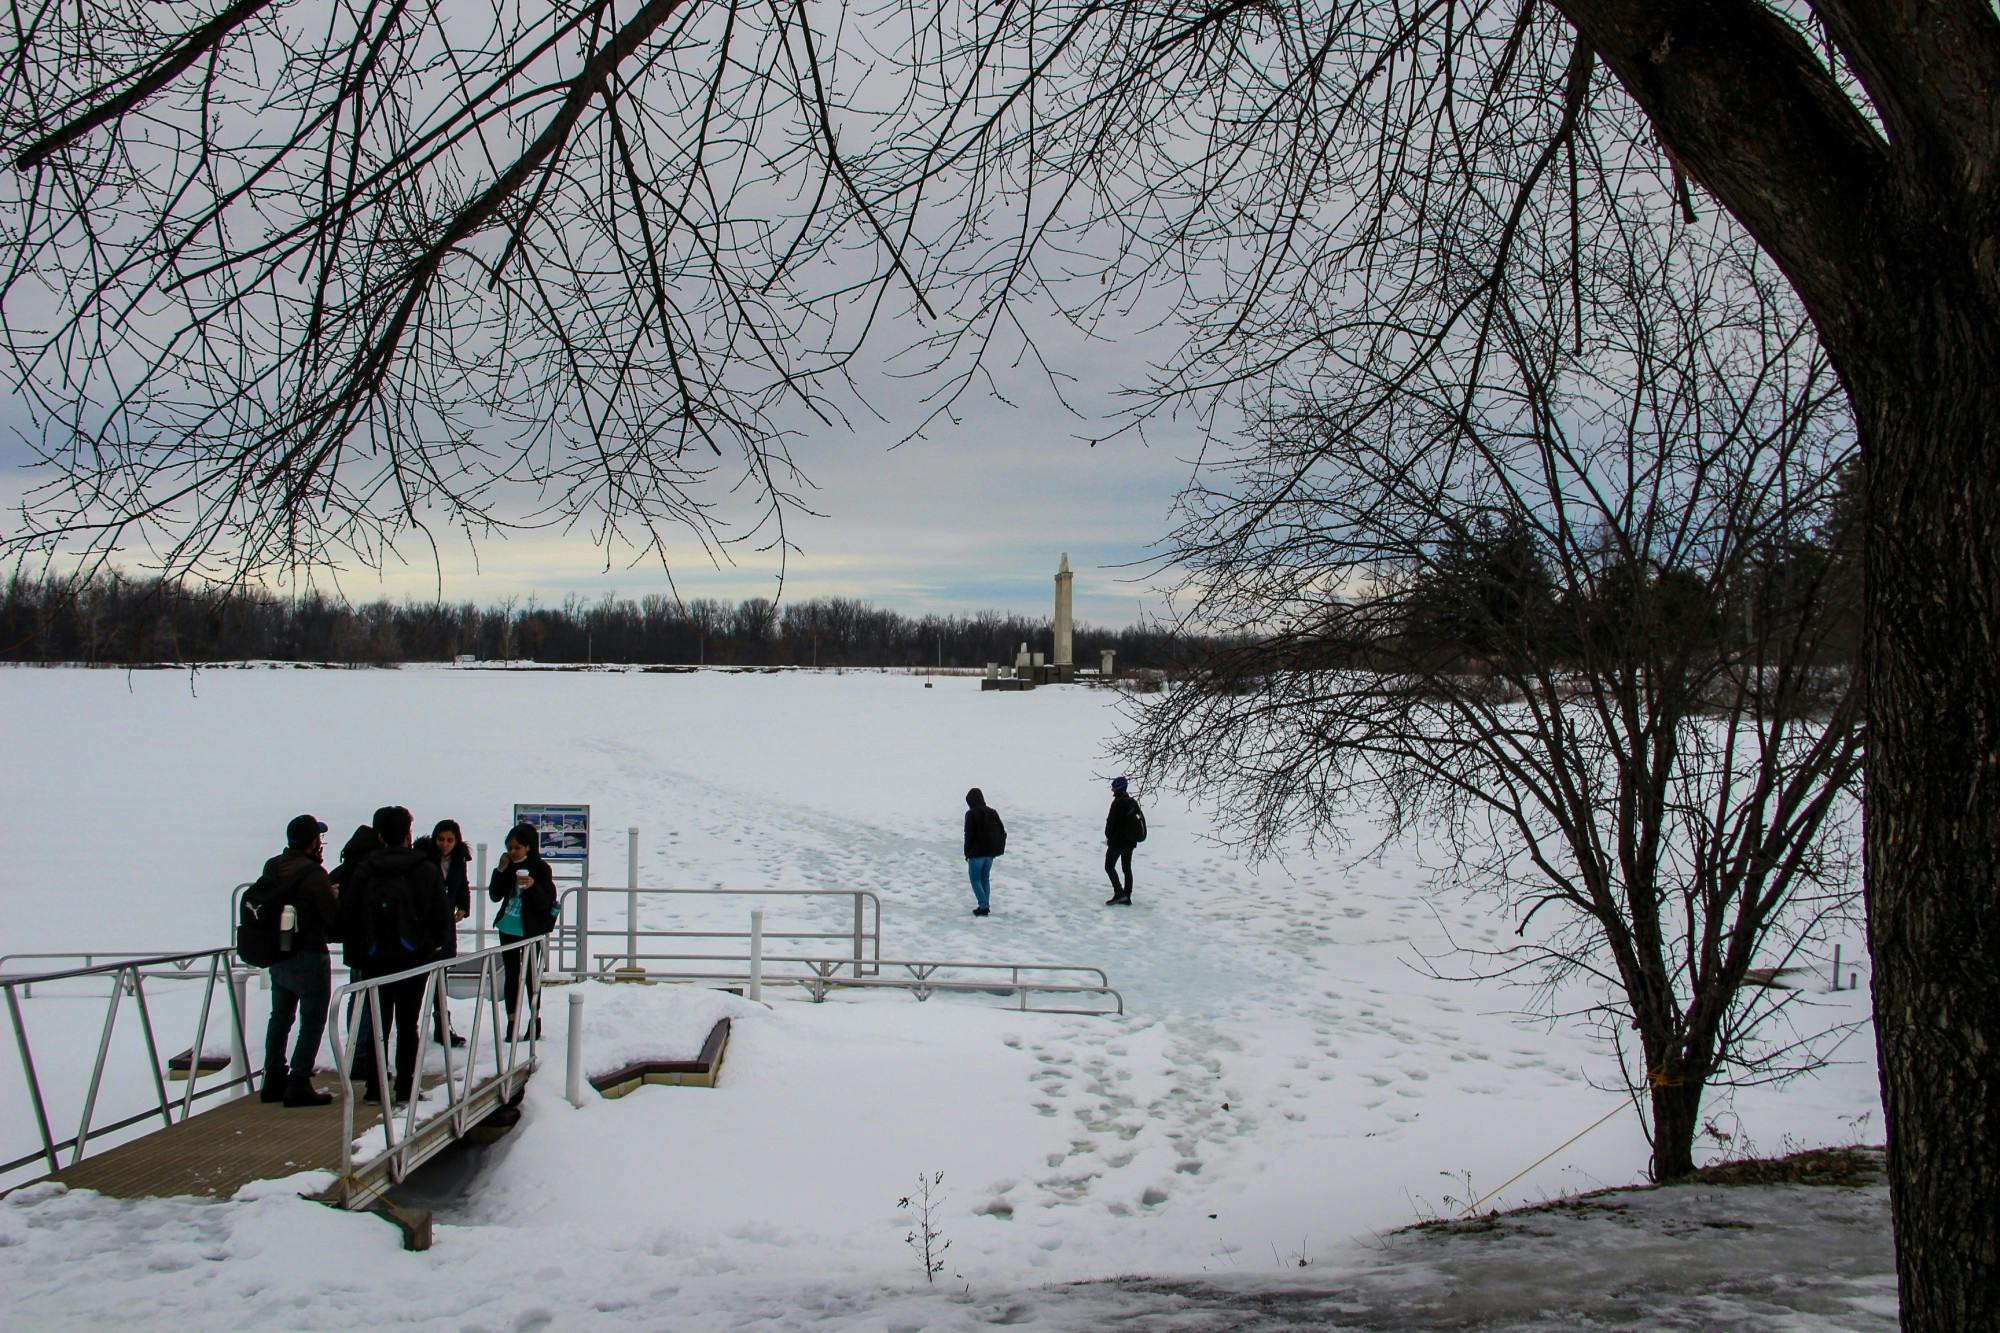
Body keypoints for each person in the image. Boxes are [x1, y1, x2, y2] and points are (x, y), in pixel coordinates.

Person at [346, 805, 454, 1105]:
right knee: (408, 1025)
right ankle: (406, 1088)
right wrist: (433, 946)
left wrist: (359, 954)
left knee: (378, 1023)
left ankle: (374, 1087)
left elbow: (351, 914)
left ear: (380, 835)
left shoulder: (365, 868)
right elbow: (440, 915)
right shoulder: (424, 868)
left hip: (374, 957)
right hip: (414, 958)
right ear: (408, 833)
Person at [258, 814, 341, 1107]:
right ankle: (299, 1080)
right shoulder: (313, 875)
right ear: (312, 842)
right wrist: (335, 897)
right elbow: (333, 919)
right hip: (308, 954)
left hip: (278, 954)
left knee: (279, 1017)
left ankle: (273, 1080)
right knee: (313, 1018)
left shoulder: (273, 866)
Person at [488, 823, 558, 1039]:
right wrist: (500, 870)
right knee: (511, 973)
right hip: (509, 925)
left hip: (531, 928)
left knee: (530, 974)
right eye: (509, 847)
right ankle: (511, 1022)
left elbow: (545, 901)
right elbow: (495, 895)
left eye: (517, 847)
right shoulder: (508, 866)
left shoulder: (540, 868)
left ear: (528, 847)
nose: (513, 851)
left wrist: (532, 886)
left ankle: (534, 1019)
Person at [414, 818, 471, 1047]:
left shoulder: (458, 860)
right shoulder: (424, 859)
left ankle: (442, 1025)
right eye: (441, 839)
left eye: (450, 840)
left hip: (445, 924)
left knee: (440, 978)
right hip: (425, 927)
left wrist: (463, 907)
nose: (445, 845)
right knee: (419, 978)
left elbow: (462, 884)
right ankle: (412, 1027)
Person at [963, 788, 1006, 917]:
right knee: (984, 879)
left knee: (975, 879)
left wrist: (967, 852)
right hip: (990, 853)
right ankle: (984, 904)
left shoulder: (971, 814)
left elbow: (968, 834)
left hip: (976, 854)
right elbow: (1002, 831)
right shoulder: (992, 812)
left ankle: (983, 906)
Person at [1104, 776, 1146, 906]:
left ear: (1118, 788)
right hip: (1130, 842)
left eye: (1113, 787)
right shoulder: (1132, 802)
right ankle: (1127, 896)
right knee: (1126, 868)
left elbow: (1111, 822)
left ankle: (1119, 893)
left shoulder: (1117, 803)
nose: (1112, 790)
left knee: (1109, 866)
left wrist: (1109, 836)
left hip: (1117, 842)